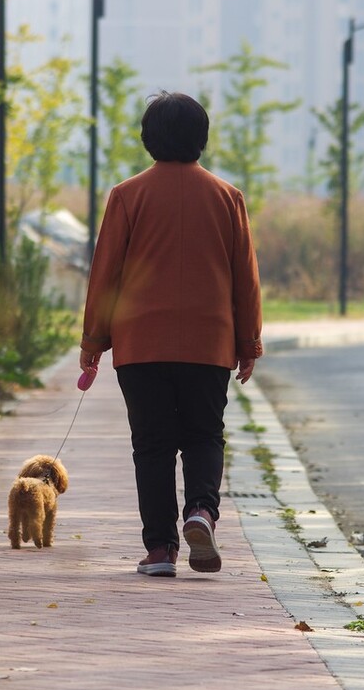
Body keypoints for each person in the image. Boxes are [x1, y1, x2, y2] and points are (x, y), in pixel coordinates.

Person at [79, 91, 263, 578]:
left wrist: (93, 342)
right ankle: (201, 511)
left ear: (147, 139)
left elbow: (106, 276)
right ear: (202, 139)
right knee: (205, 434)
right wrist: (249, 343)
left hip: (141, 344)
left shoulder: (126, 196)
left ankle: (159, 550)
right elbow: (244, 277)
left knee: (153, 444)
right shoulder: (228, 197)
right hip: (209, 342)